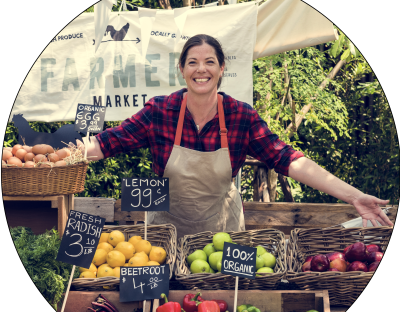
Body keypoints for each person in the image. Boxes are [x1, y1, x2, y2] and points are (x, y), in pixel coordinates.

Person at [80, 34, 393, 238]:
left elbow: (288, 160)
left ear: (221, 68)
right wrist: (60, 157)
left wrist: (353, 196)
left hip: (224, 235)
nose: (200, 69)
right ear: (182, 69)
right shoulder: (160, 111)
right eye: (192, 62)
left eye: (209, 62)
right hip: (165, 234)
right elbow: (109, 142)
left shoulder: (240, 116)